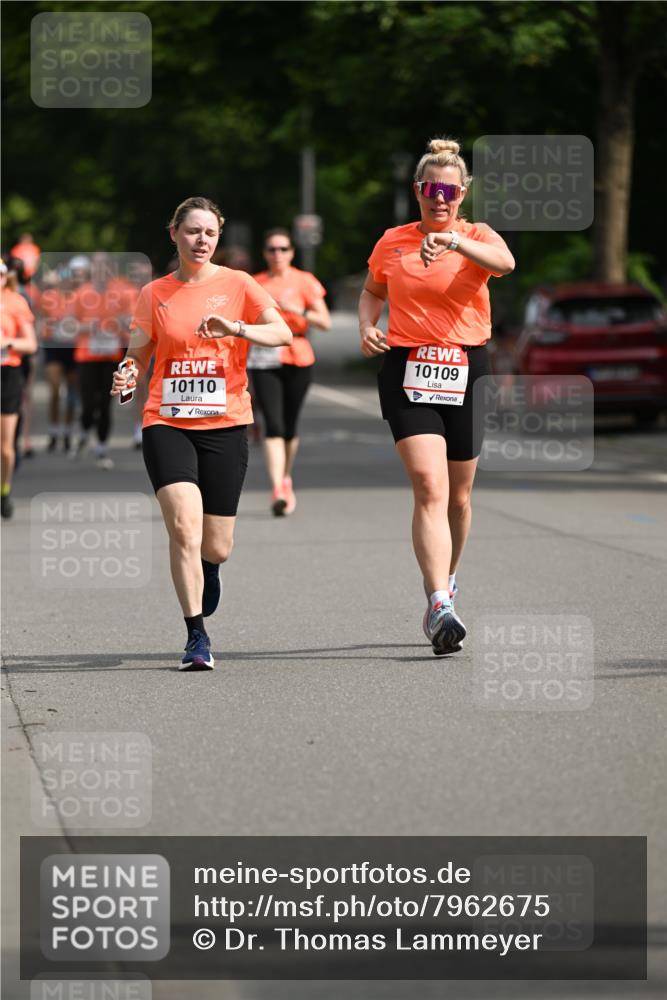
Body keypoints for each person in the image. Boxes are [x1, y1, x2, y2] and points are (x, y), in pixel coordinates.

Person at [111, 196, 292, 671]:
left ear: (218, 237)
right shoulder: (155, 293)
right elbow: (139, 353)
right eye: (192, 231)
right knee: (183, 528)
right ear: (174, 233)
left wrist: (236, 327)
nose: (202, 240)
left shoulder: (239, 284)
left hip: (226, 422)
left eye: (210, 233)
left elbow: (282, 334)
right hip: (166, 421)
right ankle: (196, 636)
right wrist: (128, 373)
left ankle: (208, 568)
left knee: (216, 545)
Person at [359, 137, 515, 655]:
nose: (439, 197)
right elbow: (372, 290)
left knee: (461, 497)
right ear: (417, 190)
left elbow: (505, 263)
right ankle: (438, 604)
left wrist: (453, 244)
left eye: (449, 189)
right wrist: (366, 325)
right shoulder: (393, 241)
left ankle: (448, 580)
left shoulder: (477, 235)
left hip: (467, 368)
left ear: (463, 193)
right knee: (430, 485)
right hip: (409, 368)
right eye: (431, 187)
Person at [249, 228, 331, 515]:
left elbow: (325, 322)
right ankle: (277, 489)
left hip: (298, 355)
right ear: (264, 253)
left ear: (292, 253)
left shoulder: (304, 281)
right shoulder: (255, 283)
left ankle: (285, 475)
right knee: (273, 424)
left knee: (289, 425)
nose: (277, 254)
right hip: (264, 358)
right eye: (272, 249)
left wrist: (298, 310)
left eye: (283, 249)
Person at [1, 259, 38, 518]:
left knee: (5, 446)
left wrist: (8, 342)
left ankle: (4, 491)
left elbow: (31, 345)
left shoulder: (15, 302)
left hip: (7, 375)